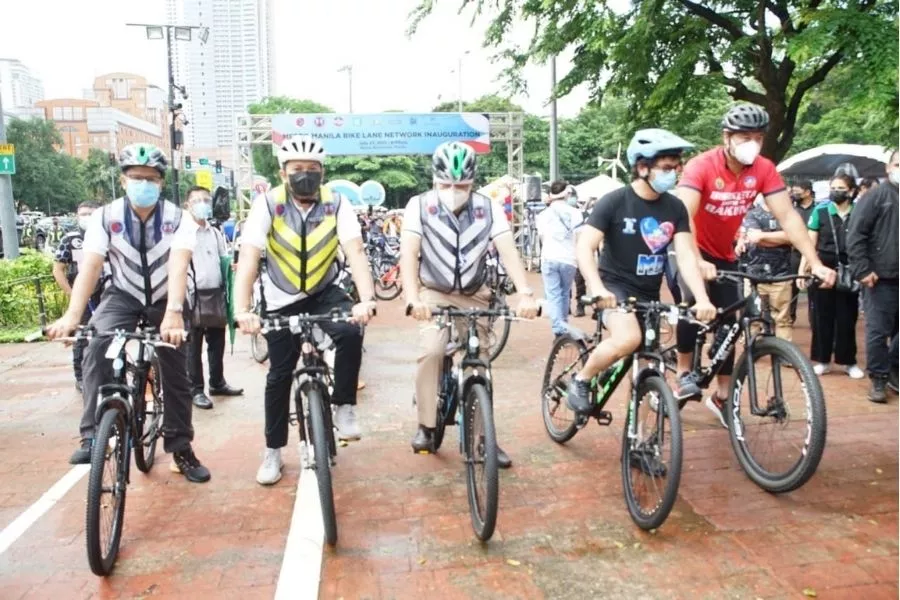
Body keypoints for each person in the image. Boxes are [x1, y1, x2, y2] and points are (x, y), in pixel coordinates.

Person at [45, 143, 210, 482]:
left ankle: (180, 447)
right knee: (96, 344)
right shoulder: (106, 217)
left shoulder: (179, 219)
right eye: (136, 177)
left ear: (161, 183)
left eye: (150, 178)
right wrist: (72, 317)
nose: (143, 184)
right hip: (123, 294)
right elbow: (91, 266)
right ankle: (92, 434)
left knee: (177, 369)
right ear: (123, 181)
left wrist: (174, 313)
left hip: (168, 296)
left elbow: (179, 265)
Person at [673, 104, 835, 427]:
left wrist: (814, 262)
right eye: (745, 136)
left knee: (733, 322)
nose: (753, 143)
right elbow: (682, 217)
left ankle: (721, 397)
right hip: (693, 248)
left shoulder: (763, 169)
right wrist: (698, 260)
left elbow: (789, 217)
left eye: (758, 137)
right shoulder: (700, 166)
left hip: (728, 254)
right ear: (727, 138)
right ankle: (683, 372)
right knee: (692, 305)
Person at [233, 135, 376, 486]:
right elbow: (250, 256)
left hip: (324, 290)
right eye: (298, 169)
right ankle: (273, 452)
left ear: (323, 172)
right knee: (279, 375)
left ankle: (344, 407)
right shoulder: (267, 205)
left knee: (350, 331)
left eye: (313, 170)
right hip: (281, 296)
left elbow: (355, 251)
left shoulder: (337, 204)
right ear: (284, 173)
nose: (305, 176)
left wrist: (367, 299)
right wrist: (242, 308)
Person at [401, 141, 538, 465]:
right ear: (435, 180)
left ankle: (483, 439)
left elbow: (508, 250)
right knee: (432, 350)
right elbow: (409, 254)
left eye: (461, 185)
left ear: (473, 181)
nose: (453, 191)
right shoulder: (418, 205)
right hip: (435, 292)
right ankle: (425, 423)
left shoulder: (487, 207)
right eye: (445, 184)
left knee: (480, 361)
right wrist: (411, 297)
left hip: (476, 294)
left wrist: (525, 293)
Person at [567, 129, 716, 414]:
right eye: (666, 168)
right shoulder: (614, 201)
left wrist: (701, 298)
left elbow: (685, 255)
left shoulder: (675, 208)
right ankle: (582, 379)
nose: (673, 174)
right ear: (642, 167)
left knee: (648, 364)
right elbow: (585, 247)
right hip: (614, 289)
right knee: (628, 339)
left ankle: (642, 445)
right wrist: (597, 288)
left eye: (677, 167)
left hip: (648, 294)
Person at [799, 174, 864, 379]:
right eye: (833, 187)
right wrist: (803, 269)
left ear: (851, 191)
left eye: (841, 188)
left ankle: (848, 361)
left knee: (847, 316)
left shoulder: (859, 212)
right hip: (822, 268)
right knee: (822, 317)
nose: (836, 191)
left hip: (849, 269)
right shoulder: (821, 211)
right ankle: (823, 359)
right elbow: (809, 242)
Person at [184, 186, 243, 409]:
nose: (202, 204)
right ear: (187, 205)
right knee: (193, 346)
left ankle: (217, 382)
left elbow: (223, 259)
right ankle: (195, 389)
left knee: (216, 342)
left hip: (215, 293)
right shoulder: (183, 231)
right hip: (192, 296)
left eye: (206, 200)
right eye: (197, 200)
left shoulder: (215, 232)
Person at [847, 151, 899, 402]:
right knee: (878, 330)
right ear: (889, 167)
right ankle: (878, 378)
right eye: (898, 164)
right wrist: (863, 269)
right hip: (880, 278)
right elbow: (856, 235)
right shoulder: (876, 197)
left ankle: (894, 370)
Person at [52, 201, 103, 393]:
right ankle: (81, 377)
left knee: (107, 335)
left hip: (105, 294)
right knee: (80, 337)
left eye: (91, 213)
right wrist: (72, 294)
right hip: (82, 297)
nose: (86, 217)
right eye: (83, 214)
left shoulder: (108, 236)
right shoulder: (71, 239)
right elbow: (58, 269)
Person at [737, 196, 795, 340]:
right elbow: (752, 237)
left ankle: (785, 355)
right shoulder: (753, 214)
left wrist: (762, 236)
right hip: (754, 276)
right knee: (752, 316)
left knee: (783, 319)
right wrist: (781, 238)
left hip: (781, 274)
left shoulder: (788, 214)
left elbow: (793, 236)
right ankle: (750, 354)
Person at [536, 181, 583, 338]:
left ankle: (558, 328)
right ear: (567, 194)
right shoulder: (576, 213)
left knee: (553, 294)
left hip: (549, 257)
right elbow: (579, 237)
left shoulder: (542, 215)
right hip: (569, 258)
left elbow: (542, 237)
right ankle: (563, 324)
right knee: (564, 293)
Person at [789, 181, 816, 324]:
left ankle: (814, 320)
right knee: (792, 287)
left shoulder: (817, 209)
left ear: (807, 192)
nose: (794, 194)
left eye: (797, 191)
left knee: (813, 289)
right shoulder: (792, 211)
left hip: (812, 254)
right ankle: (790, 317)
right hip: (795, 253)